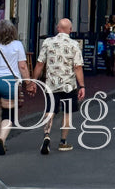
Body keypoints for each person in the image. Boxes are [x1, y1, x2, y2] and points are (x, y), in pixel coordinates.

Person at [32, 18, 85, 154]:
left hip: (51, 84)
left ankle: (47, 135)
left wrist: (33, 81)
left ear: (57, 28)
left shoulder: (48, 43)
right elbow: (78, 67)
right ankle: (63, 142)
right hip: (69, 85)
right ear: (70, 30)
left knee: (50, 111)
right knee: (67, 113)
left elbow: (39, 63)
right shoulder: (74, 45)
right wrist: (82, 85)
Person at [0, 19, 34, 155]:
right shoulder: (17, 45)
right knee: (9, 114)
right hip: (10, 82)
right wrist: (28, 82)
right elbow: (22, 66)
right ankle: (2, 138)